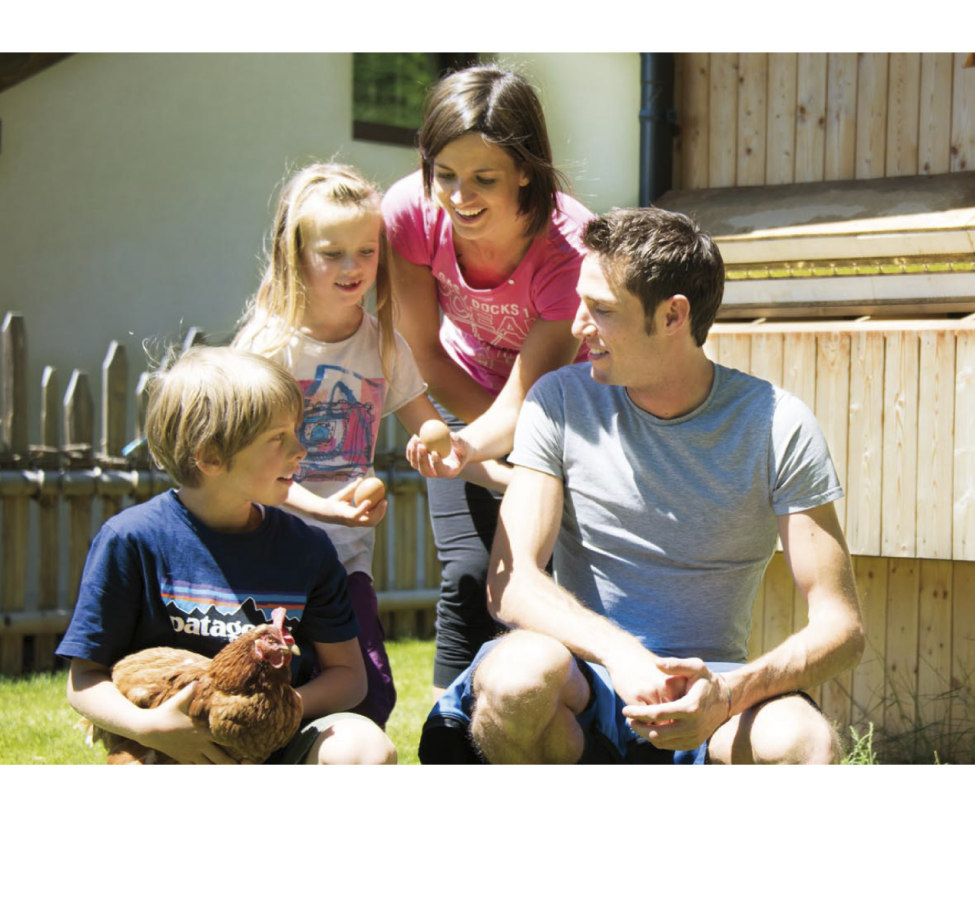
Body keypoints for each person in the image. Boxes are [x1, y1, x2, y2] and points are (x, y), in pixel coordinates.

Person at [424, 208, 865, 765]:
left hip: (710, 693)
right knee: (517, 676)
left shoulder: (777, 424)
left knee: (803, 741)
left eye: (602, 310)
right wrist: (621, 654)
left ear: (674, 315)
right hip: (586, 681)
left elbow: (842, 626)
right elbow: (511, 585)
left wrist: (729, 693)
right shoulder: (558, 401)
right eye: (581, 302)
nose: (579, 326)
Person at [233, 162, 501, 726]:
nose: (353, 267)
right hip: (266, 556)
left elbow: (438, 435)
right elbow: (248, 474)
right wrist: (322, 508)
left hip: (345, 562)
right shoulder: (268, 349)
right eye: (332, 253)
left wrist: (502, 476)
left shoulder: (383, 346)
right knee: (262, 697)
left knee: (368, 696)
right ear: (294, 255)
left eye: (366, 251)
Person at [59, 347, 396, 764]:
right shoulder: (132, 540)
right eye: (278, 438)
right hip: (173, 745)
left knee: (363, 749)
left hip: (279, 741)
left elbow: (349, 679)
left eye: (296, 430)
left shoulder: (306, 548)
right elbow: (84, 679)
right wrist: (150, 728)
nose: (300, 449)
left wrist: (267, 714)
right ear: (211, 456)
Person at [382, 65, 593, 693]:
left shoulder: (567, 249)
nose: (457, 196)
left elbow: (531, 395)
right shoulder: (409, 215)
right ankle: (449, 740)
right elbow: (420, 348)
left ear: (526, 169)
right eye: (444, 174)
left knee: (540, 579)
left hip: (560, 415)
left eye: (484, 179)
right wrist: (472, 449)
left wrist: (486, 451)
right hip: (460, 392)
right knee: (472, 573)